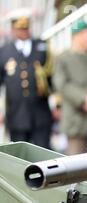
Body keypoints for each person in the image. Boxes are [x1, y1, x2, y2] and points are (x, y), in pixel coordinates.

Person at [0, 12, 53, 149]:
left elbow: (52, 77)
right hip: (16, 115)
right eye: (20, 29)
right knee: (20, 154)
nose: (24, 32)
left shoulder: (42, 47)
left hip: (40, 113)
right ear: (13, 29)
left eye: (26, 28)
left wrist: (57, 104)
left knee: (44, 153)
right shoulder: (4, 51)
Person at [53, 20, 87, 155]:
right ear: (74, 37)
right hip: (75, 120)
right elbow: (61, 84)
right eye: (83, 35)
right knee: (76, 162)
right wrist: (84, 99)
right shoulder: (63, 58)